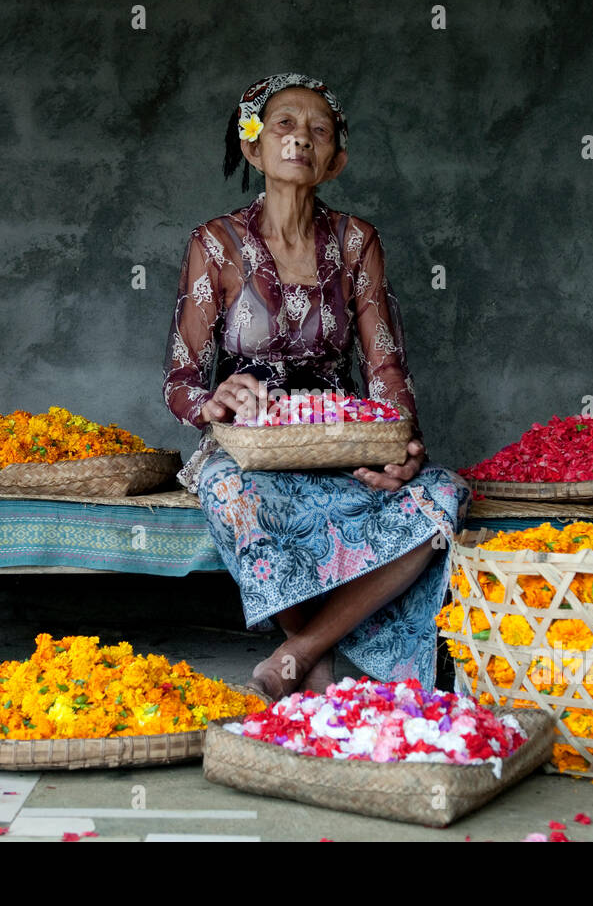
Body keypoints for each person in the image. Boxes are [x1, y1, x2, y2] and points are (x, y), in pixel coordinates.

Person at [162, 72, 470, 700]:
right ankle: (316, 653)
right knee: (226, 492)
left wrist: (401, 443)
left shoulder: (357, 242)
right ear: (253, 148)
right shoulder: (216, 245)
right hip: (251, 449)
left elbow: (386, 365)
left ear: (336, 161)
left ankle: (303, 650)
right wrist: (214, 402)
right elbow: (180, 379)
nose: (301, 137)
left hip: (342, 443)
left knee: (445, 493)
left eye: (319, 130)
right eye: (284, 124)